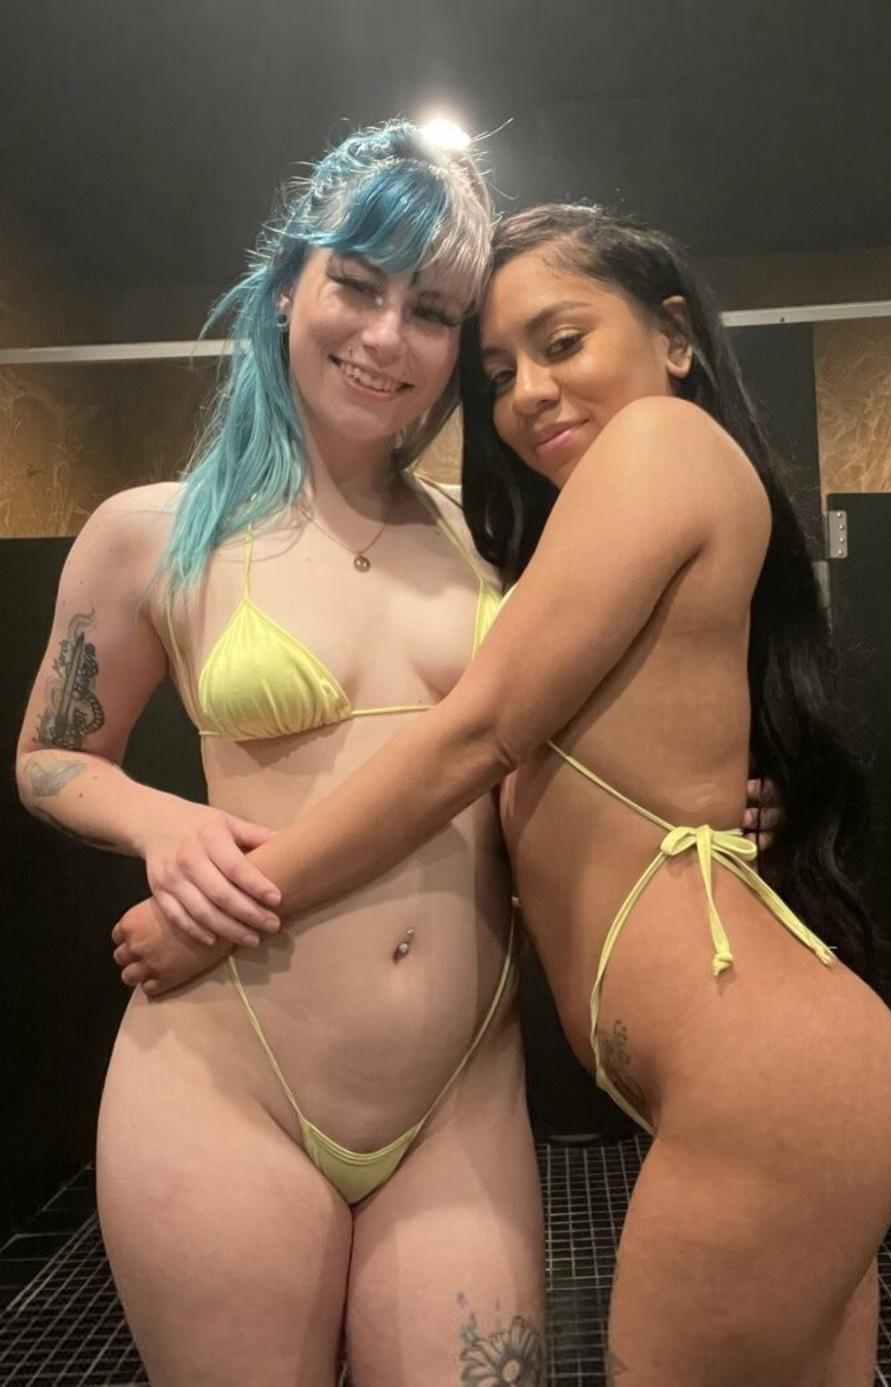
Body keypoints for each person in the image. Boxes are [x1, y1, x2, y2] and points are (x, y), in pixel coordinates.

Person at [113, 202, 891, 1385]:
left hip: (770, 1092)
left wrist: (223, 908)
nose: (528, 393)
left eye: (562, 341)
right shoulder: (599, 515)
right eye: (497, 372)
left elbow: (476, 734)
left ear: (676, 337)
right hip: (786, 1085)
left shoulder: (659, 442)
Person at [15, 121, 549, 1387]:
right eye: (356, 285)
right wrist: (161, 823)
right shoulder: (154, 534)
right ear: (284, 290)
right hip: (224, 1081)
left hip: (461, 1092)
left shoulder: (496, 545)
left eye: (430, 311)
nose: (386, 336)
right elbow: (48, 757)